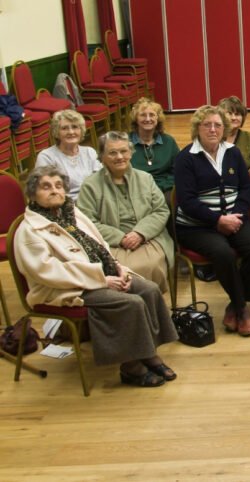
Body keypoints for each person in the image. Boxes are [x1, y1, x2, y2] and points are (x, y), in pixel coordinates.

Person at [15, 165, 177, 387]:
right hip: (65, 289)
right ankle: (130, 366)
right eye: (46, 187)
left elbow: (99, 245)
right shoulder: (29, 230)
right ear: (33, 193)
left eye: (59, 186)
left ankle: (147, 352)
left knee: (148, 289)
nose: (54, 191)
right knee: (129, 302)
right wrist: (101, 279)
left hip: (99, 276)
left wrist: (117, 267)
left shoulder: (71, 212)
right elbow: (48, 272)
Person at [175, 105, 250, 337]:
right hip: (197, 225)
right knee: (223, 253)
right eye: (207, 125)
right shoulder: (185, 158)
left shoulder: (233, 152)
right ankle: (242, 309)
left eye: (218, 125)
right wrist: (218, 220)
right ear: (197, 128)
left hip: (233, 218)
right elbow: (186, 201)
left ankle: (234, 305)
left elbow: (246, 188)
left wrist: (235, 215)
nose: (213, 129)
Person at [78, 131, 174, 294]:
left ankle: (151, 307)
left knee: (152, 264)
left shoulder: (145, 178)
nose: (119, 157)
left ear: (131, 153)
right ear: (102, 156)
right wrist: (120, 238)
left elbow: (161, 210)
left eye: (123, 151)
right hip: (111, 242)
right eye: (112, 152)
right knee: (122, 270)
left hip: (148, 237)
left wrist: (140, 233)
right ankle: (131, 310)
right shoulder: (90, 185)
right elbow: (86, 222)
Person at [34, 109, 101, 200]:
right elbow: (46, 191)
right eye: (64, 128)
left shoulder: (89, 152)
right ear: (57, 132)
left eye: (74, 127)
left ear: (81, 130)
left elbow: (100, 180)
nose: (71, 132)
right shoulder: (46, 157)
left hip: (94, 200)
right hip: (66, 206)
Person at [128, 98, 180, 200]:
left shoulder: (168, 141)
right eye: (143, 115)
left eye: (152, 115)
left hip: (165, 189)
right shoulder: (125, 142)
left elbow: (178, 170)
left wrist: (162, 187)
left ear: (158, 119)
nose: (148, 119)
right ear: (136, 119)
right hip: (135, 190)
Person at [219, 96, 250, 169]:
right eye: (230, 113)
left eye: (237, 114)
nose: (234, 118)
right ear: (221, 116)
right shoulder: (214, 137)